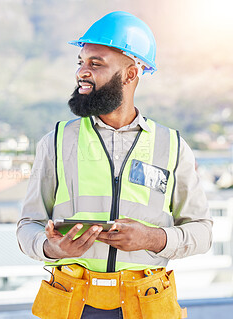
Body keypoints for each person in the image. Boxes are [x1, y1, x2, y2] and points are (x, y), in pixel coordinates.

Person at [16, 11, 212, 319]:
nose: (82, 71)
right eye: (80, 62)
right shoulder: (56, 141)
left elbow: (202, 232)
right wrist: (53, 249)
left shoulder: (172, 146)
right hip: (72, 304)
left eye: (95, 64)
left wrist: (153, 238)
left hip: (146, 304)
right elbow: (28, 226)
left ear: (131, 74)